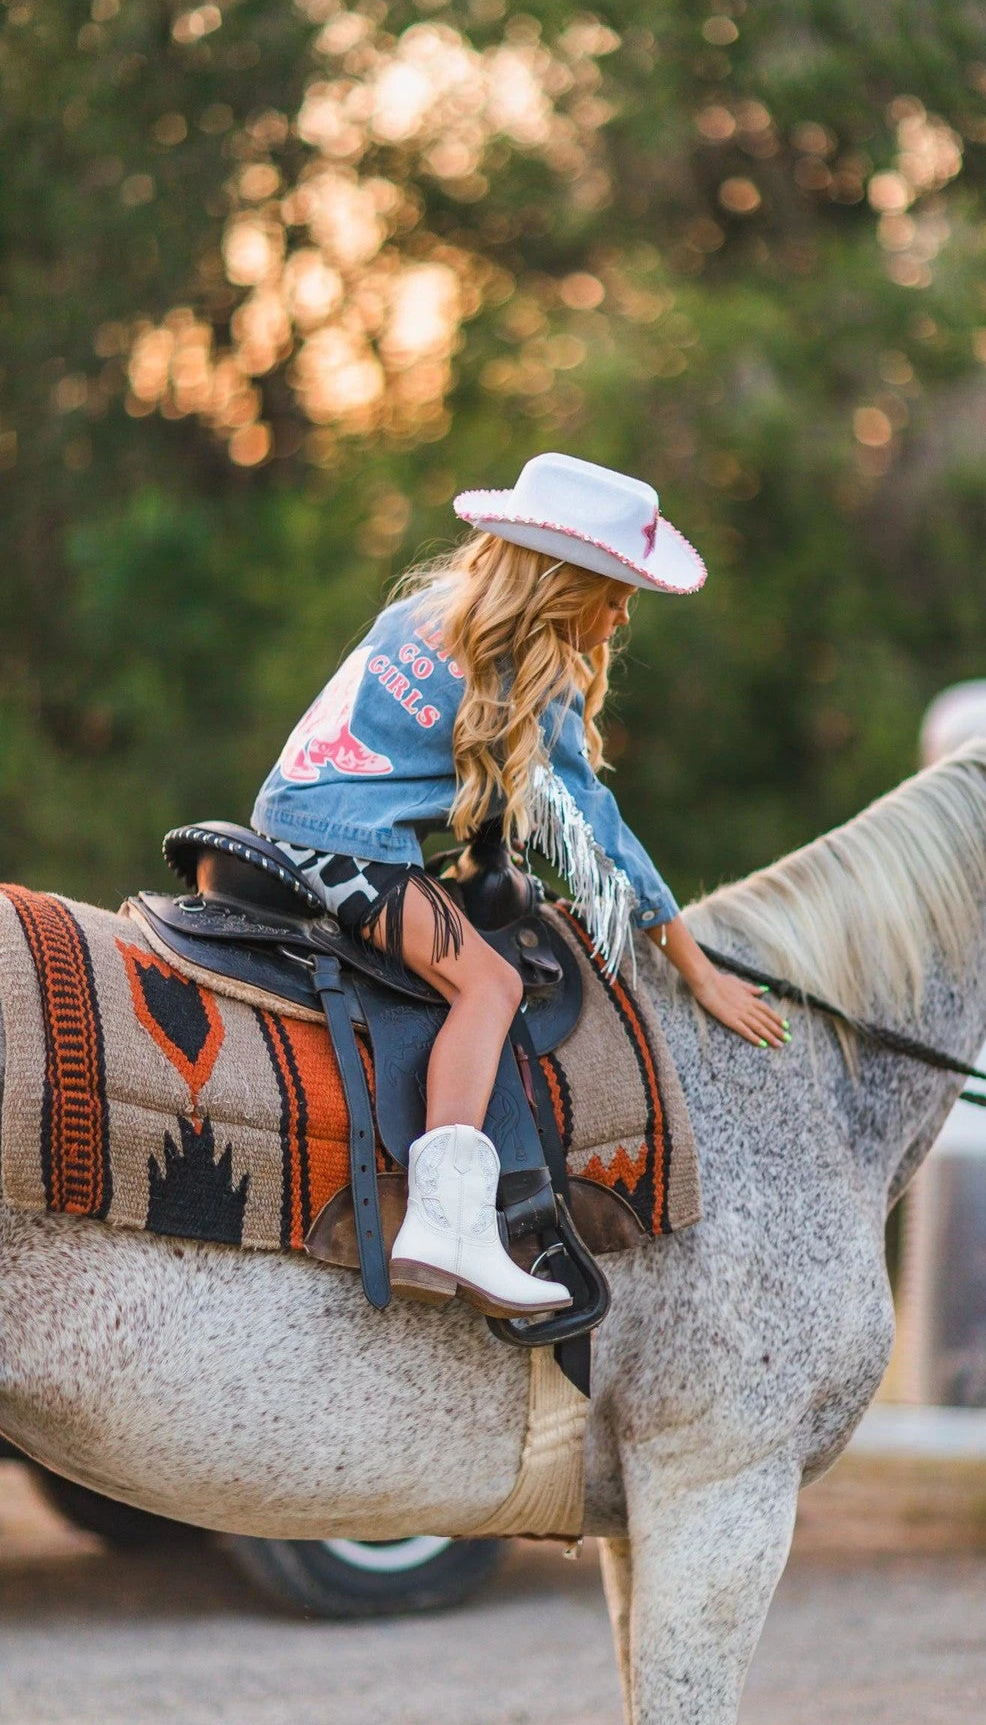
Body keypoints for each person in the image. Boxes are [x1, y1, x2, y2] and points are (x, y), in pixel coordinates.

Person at [253, 452, 789, 1317]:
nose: (621, 616)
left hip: (295, 813)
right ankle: (447, 1217)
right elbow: (595, 832)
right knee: (490, 983)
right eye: (613, 593)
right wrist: (697, 968)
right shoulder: (519, 676)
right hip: (346, 847)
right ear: (560, 584)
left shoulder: (425, 611)